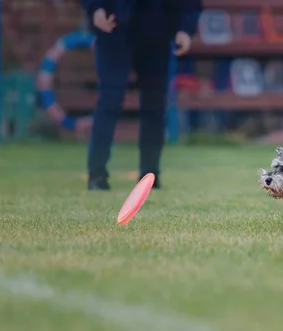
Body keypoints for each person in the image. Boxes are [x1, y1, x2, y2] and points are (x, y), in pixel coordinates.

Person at [80, 0, 202, 190]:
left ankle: (150, 175)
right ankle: (96, 174)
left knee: (154, 106)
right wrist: (95, 8)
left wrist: (185, 28)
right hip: (113, 25)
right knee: (109, 101)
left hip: (157, 27)